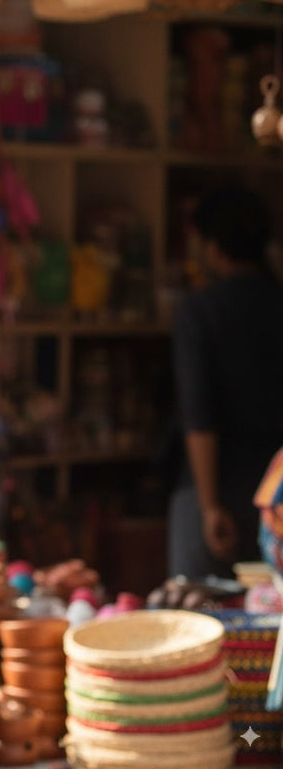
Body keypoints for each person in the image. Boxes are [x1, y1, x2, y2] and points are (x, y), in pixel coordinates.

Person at [169, 186, 283, 579]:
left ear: (214, 248)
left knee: (201, 617)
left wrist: (209, 505)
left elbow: (199, 416)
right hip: (276, 494)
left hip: (219, 490)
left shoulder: (201, 312)